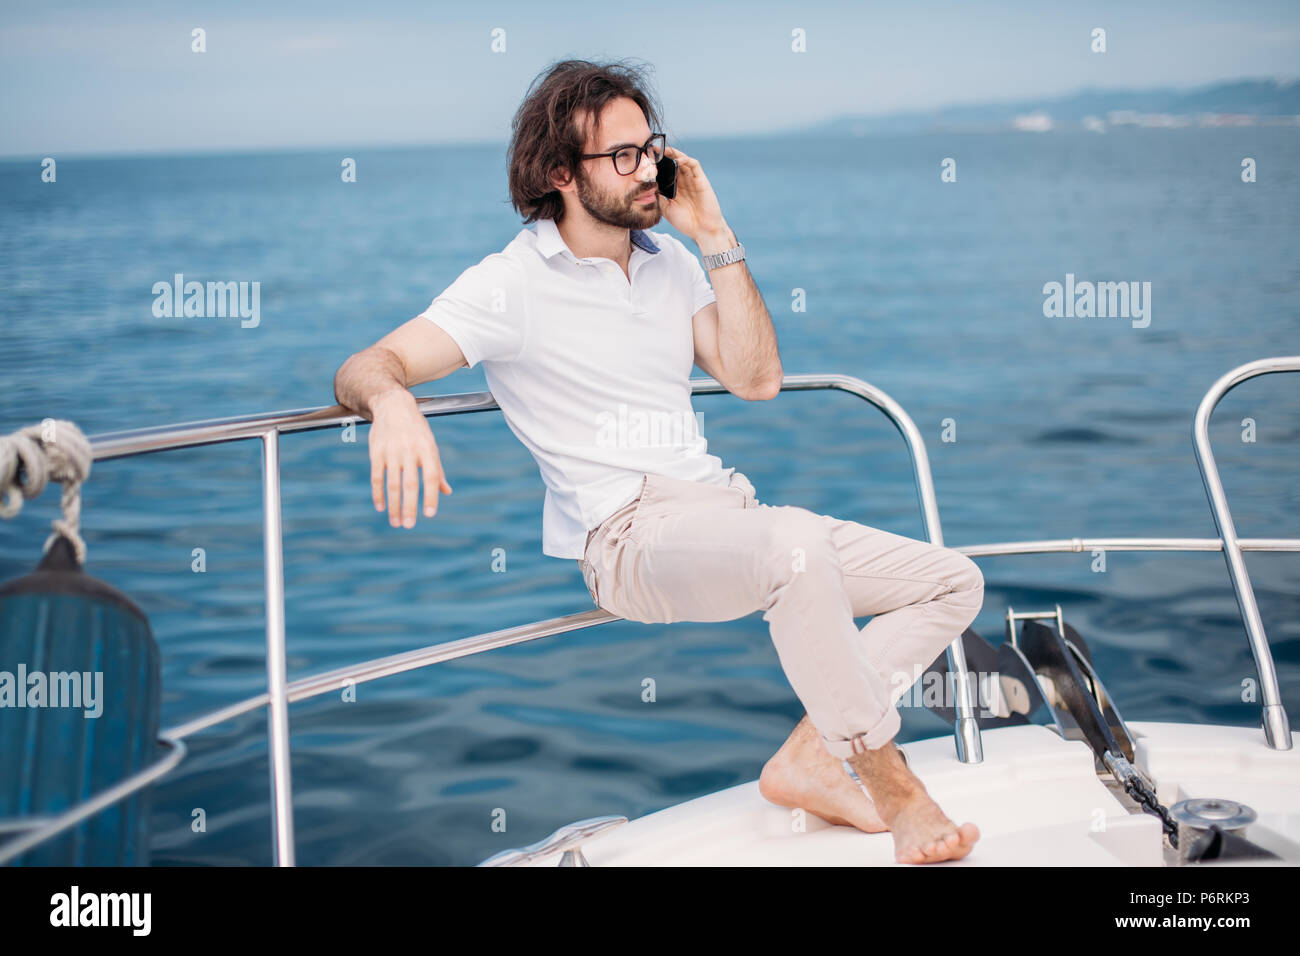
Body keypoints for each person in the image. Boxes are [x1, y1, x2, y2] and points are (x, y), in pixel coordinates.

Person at [333, 58, 982, 864]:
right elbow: (367, 363)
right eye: (624, 156)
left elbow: (756, 379)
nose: (652, 170)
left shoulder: (673, 262)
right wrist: (393, 404)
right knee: (795, 548)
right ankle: (894, 787)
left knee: (954, 581)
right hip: (629, 535)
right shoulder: (510, 284)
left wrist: (713, 236)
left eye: (654, 148)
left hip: (724, 514)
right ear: (560, 173)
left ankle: (813, 756)